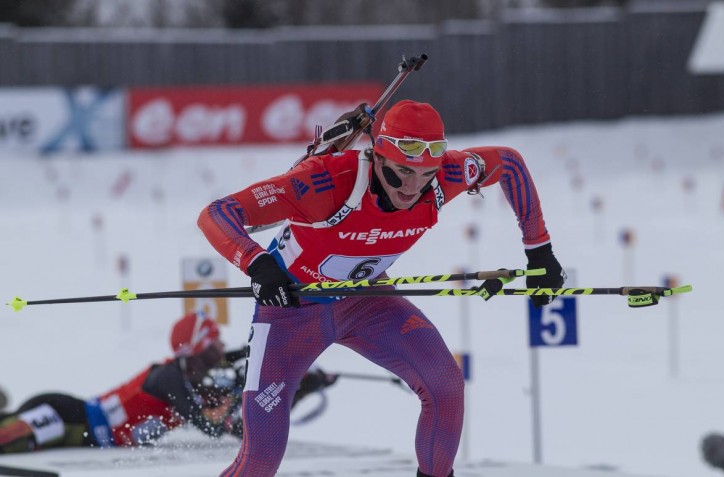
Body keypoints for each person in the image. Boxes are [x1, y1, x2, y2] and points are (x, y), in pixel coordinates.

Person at [198, 99, 566, 477]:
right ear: (377, 157)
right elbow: (217, 214)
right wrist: (257, 262)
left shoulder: (446, 176)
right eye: (401, 173)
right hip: (291, 311)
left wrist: (540, 252)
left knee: (445, 388)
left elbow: (509, 162)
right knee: (261, 458)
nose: (412, 187)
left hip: (367, 302)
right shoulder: (322, 182)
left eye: (426, 175)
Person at [0, 311, 337, 454]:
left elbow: (246, 428)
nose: (222, 348)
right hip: (69, 416)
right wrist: (236, 399)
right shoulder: (170, 379)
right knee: (6, 441)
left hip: (82, 438)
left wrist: (300, 384)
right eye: (215, 342)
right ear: (201, 349)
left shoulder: (193, 383)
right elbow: (210, 426)